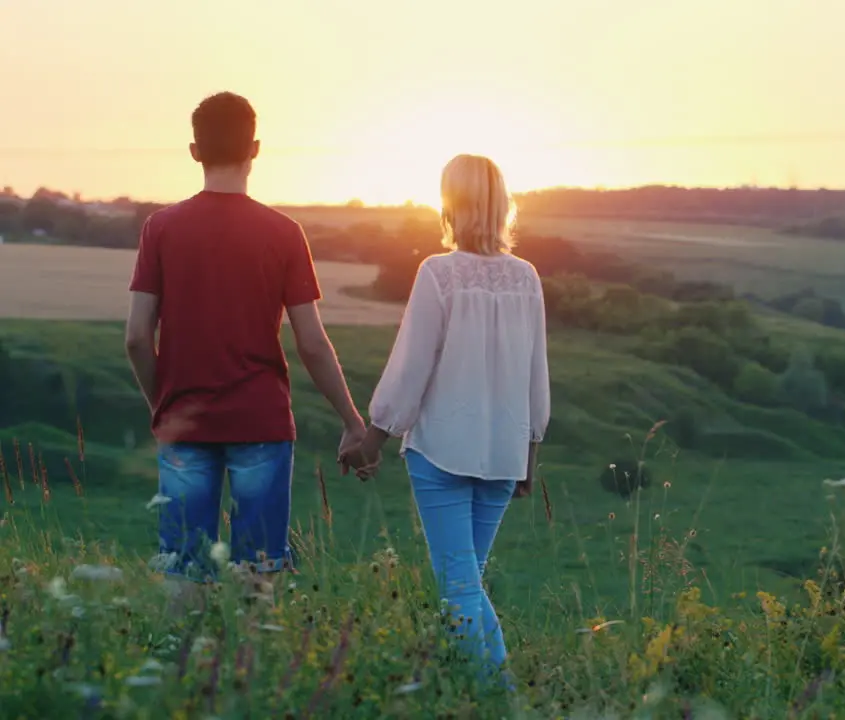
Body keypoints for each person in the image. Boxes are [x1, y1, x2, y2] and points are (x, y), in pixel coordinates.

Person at [125, 92, 367, 593]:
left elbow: (135, 337)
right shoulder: (284, 233)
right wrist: (352, 421)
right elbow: (313, 343)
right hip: (261, 421)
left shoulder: (161, 228)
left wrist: (164, 408)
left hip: (184, 420)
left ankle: (183, 664)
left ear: (194, 151)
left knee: (183, 570)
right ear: (255, 148)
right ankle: (247, 668)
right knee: (258, 572)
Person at [342, 154, 551, 684]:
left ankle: (497, 697)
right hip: (505, 453)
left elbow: (413, 364)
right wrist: (529, 454)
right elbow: (535, 374)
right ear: (502, 204)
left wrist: (374, 437)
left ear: (449, 204)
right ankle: (459, 685)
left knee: (459, 587)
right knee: (467, 582)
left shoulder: (439, 272)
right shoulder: (526, 278)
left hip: (441, 451)